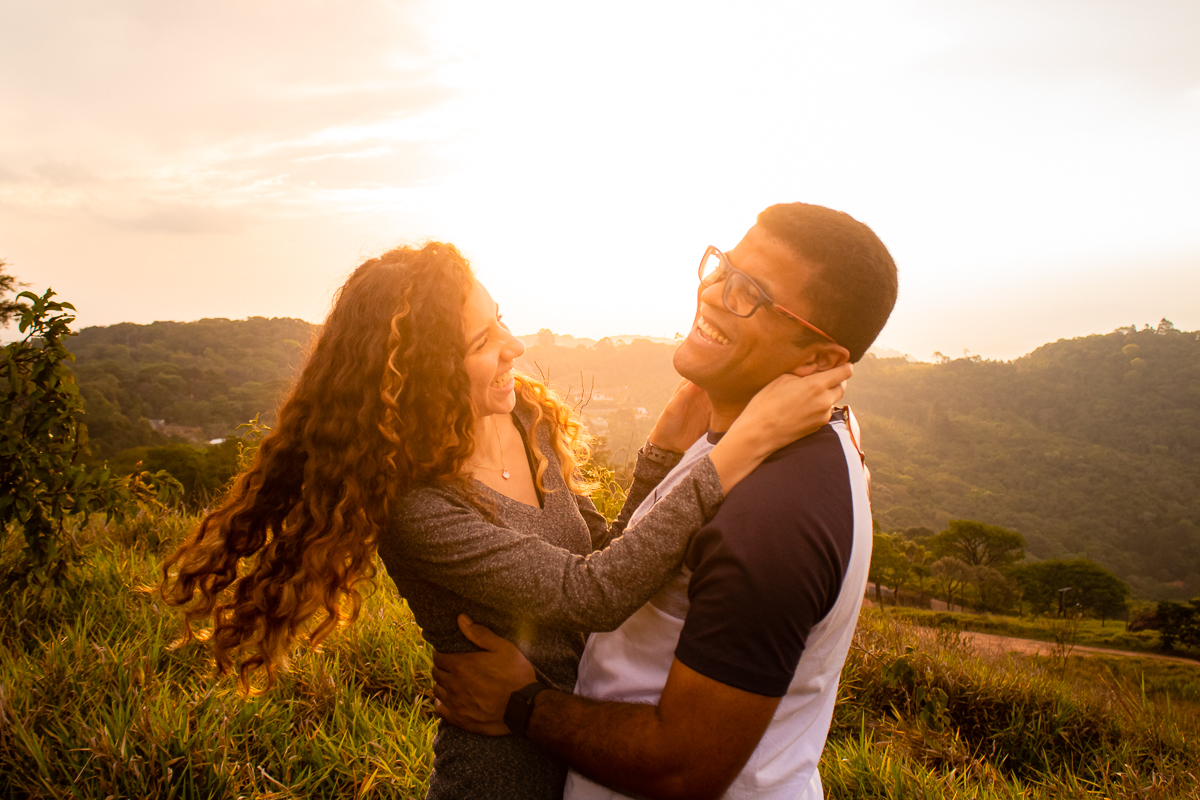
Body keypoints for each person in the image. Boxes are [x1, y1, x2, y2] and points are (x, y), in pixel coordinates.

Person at [158, 240, 851, 799]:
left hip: (585, 743)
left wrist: (660, 456)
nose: (514, 347)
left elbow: (604, 555)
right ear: (430, 372)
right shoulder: (422, 510)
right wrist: (741, 448)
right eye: (484, 339)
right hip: (501, 772)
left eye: (501, 319)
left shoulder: (524, 420)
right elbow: (594, 596)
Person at [431, 201, 899, 800]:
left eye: (749, 293)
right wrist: (658, 460)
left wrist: (521, 705)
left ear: (819, 360)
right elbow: (629, 572)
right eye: (723, 267)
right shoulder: (754, 433)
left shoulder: (775, 513)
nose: (712, 293)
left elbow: (684, 766)